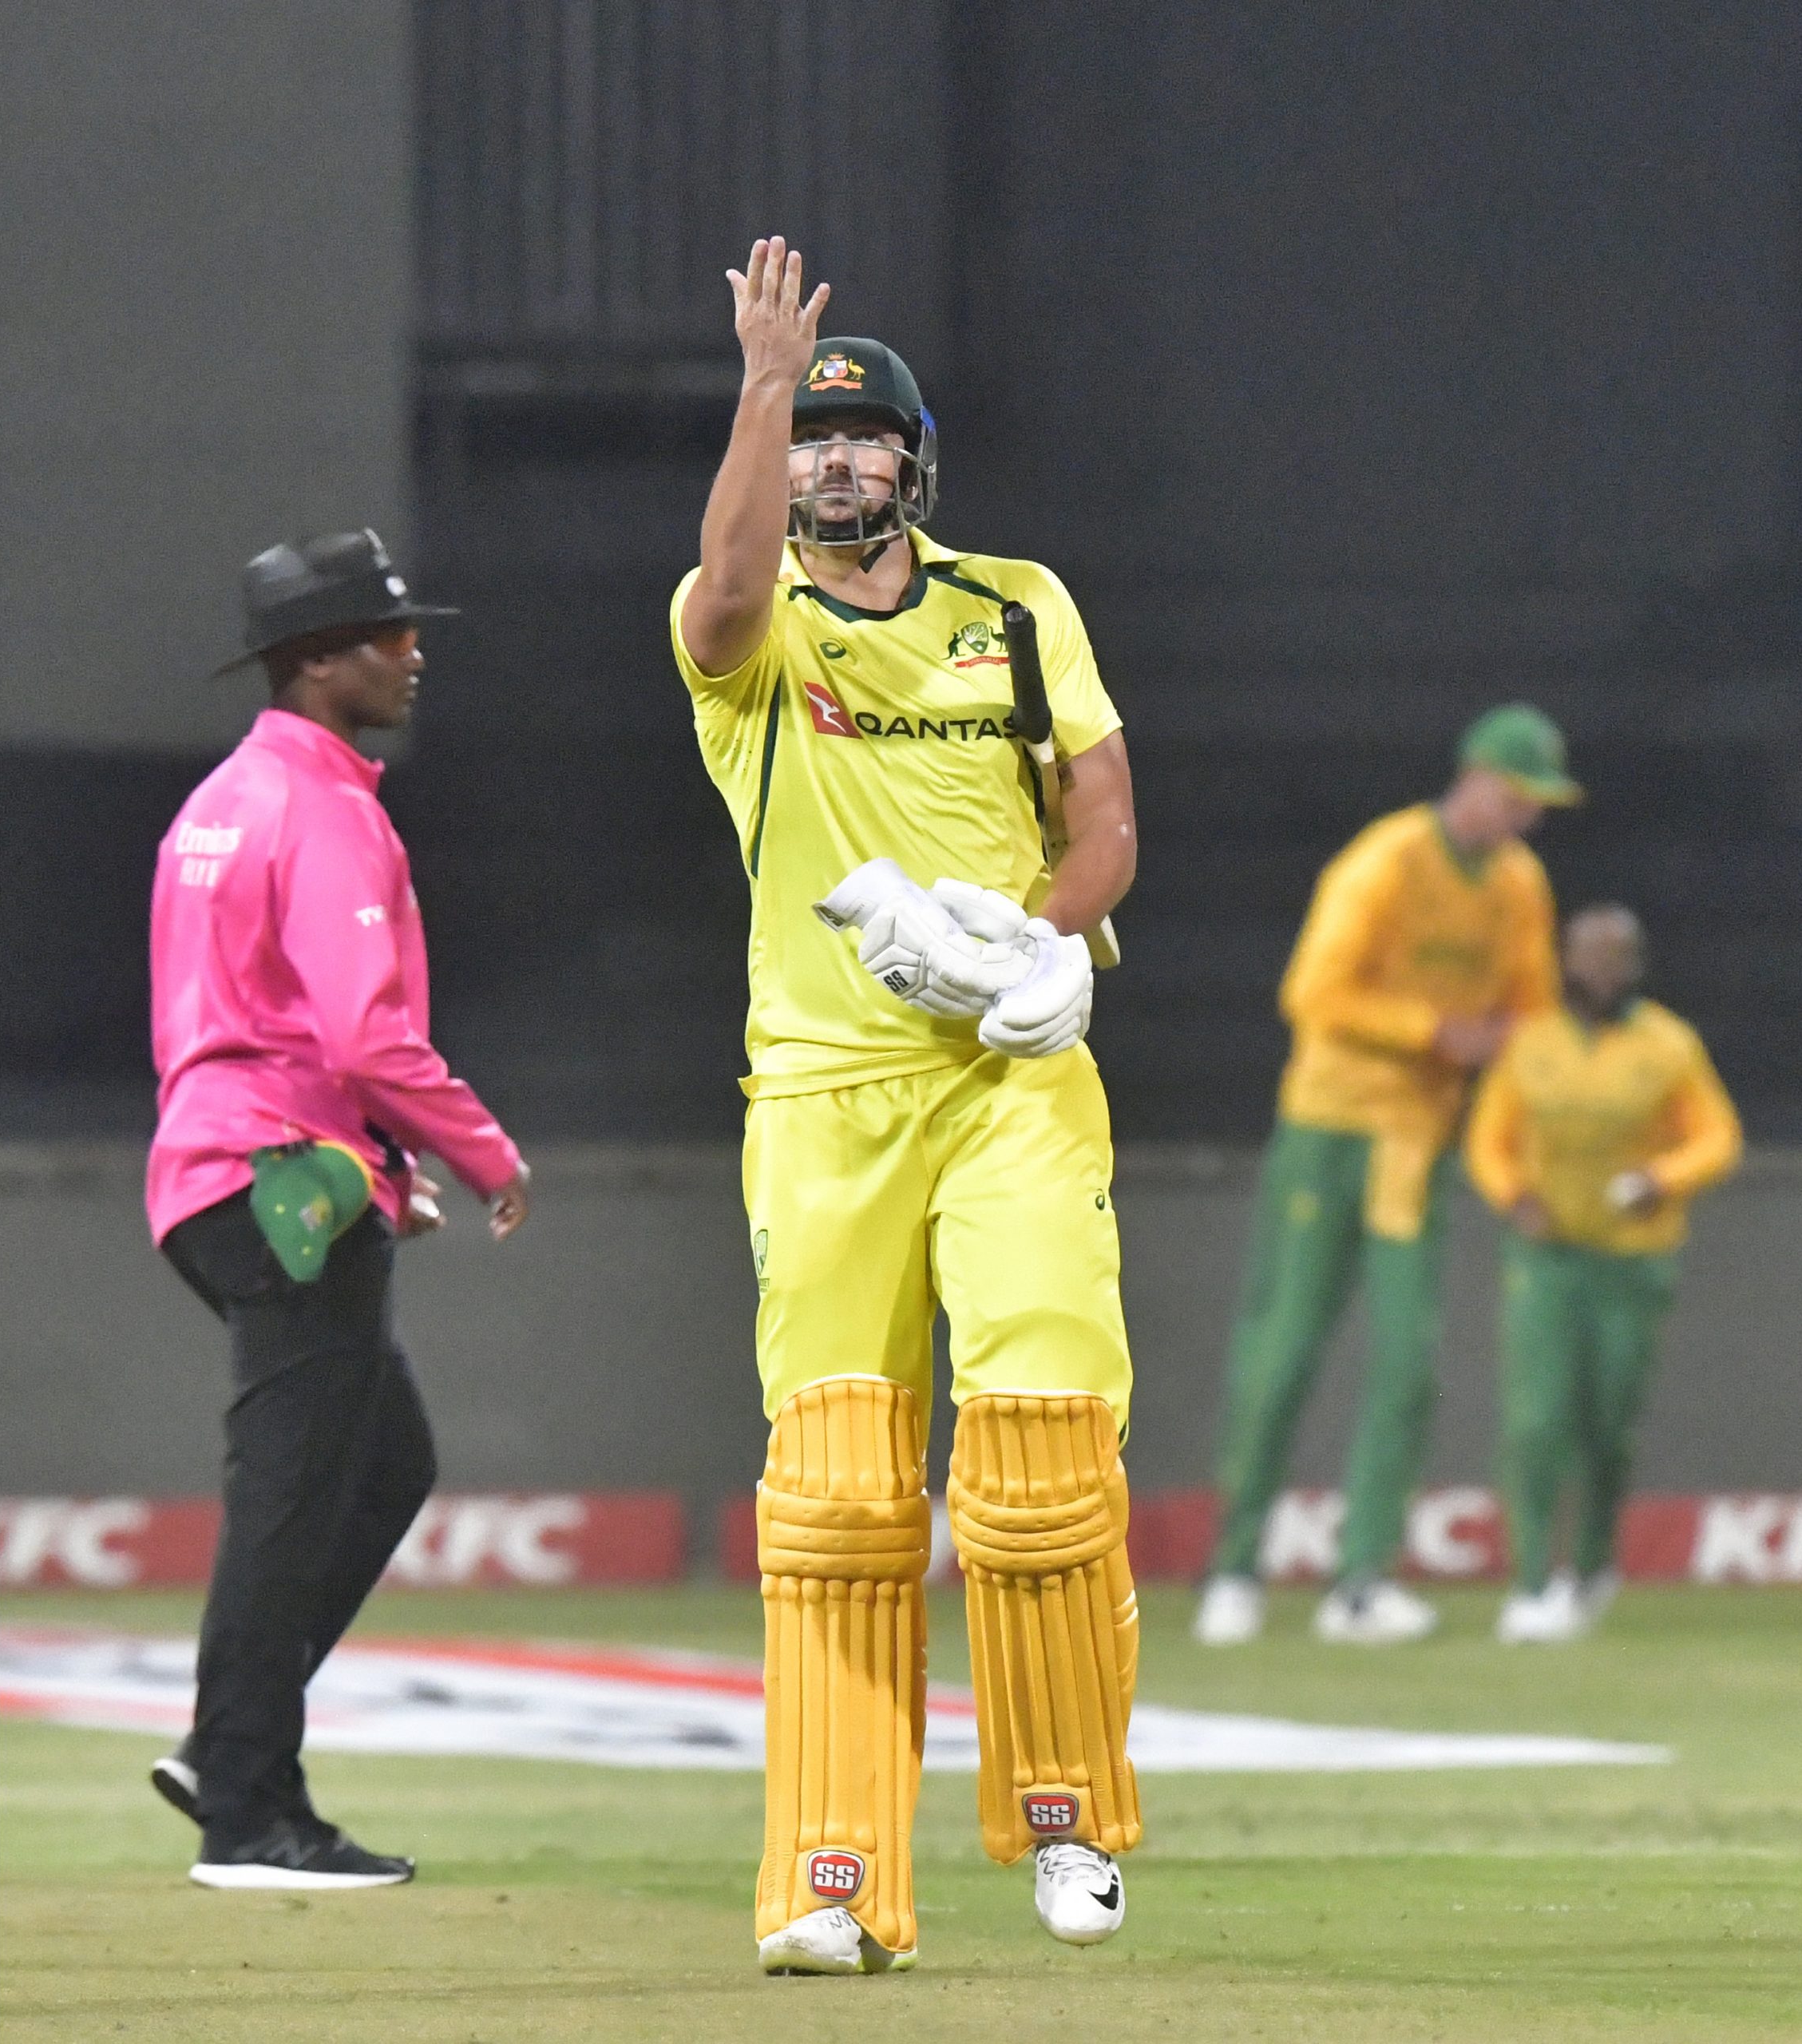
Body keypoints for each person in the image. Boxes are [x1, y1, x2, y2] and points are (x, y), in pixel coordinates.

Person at [671, 240, 1142, 1975]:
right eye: (815, 440)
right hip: (819, 1097)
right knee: (840, 1499)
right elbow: (722, 579)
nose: (836, 464)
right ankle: (834, 1874)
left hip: (1011, 1080)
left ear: (913, 464)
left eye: (865, 440)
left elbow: (1099, 814)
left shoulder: (1013, 604)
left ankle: (1065, 1815)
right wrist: (758, 383)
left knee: (1030, 1469)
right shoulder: (749, 629)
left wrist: (1042, 927)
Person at [146, 529, 532, 1888]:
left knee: (379, 1464)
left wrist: (380, 1162)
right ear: (318, 661)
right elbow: (364, 1039)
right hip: (282, 1181)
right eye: (389, 634)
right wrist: (482, 1151)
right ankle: (252, 1812)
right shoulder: (327, 811)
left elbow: (245, 1017)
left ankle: (228, 1743)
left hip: (223, 1171)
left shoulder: (218, 803)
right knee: (293, 1499)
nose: (413, 652)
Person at [1194, 707, 1576, 1646]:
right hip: (1328, 1129)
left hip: (1416, 1145)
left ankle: (1358, 1581)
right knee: (1281, 1351)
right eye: (1520, 796)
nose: (1526, 818)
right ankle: (1233, 1568)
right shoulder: (1386, 860)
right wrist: (1435, 1032)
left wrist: (1523, 1070)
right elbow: (1311, 992)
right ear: (1478, 778)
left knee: (1407, 1360)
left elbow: (1531, 1008)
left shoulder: (1519, 886)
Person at [1467, 905, 1742, 1642]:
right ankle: (1530, 1583)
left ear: (1636, 964)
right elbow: (1489, 1139)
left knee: (1605, 1425)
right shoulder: (1531, 1043)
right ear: (1565, 959)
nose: (1598, 968)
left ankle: (1592, 1562)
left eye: (1613, 954)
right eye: (1586, 953)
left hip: (1631, 1260)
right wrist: (1511, 1195)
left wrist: (1662, 1178)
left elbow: (1716, 1136)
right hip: (1547, 1259)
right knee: (1535, 1420)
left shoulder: (1666, 1045)